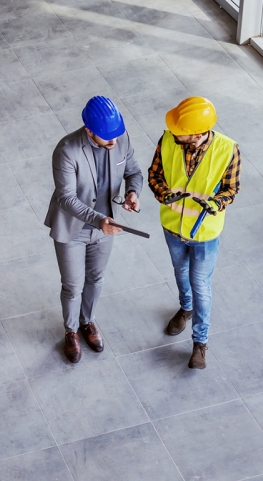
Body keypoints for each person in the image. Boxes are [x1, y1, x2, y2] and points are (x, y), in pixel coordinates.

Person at [44, 96, 144, 363]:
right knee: (73, 285)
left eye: (116, 136)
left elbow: (133, 172)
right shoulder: (67, 150)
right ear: (89, 131)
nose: (113, 143)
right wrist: (99, 220)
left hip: (105, 228)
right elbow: (66, 198)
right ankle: (71, 331)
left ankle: (87, 321)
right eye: (107, 138)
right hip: (74, 229)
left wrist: (133, 192)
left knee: (96, 279)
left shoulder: (119, 138)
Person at [149, 96, 241, 369]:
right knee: (180, 273)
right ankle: (185, 307)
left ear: (197, 135)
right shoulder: (167, 140)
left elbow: (231, 189)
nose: (174, 134)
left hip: (204, 235)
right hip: (172, 227)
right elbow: (155, 175)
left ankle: (200, 342)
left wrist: (215, 204)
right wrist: (164, 195)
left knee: (200, 285)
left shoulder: (228, 150)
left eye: (180, 132)